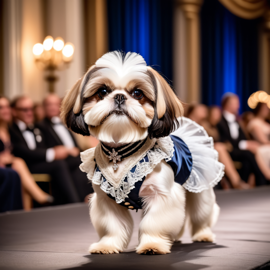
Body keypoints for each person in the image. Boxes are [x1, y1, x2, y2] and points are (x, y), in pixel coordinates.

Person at [9, 96, 80, 205]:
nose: (29, 113)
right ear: (14, 111)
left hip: (40, 163)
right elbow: (22, 152)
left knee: (77, 161)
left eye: (31, 109)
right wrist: (52, 153)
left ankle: (84, 199)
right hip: (26, 167)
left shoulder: (35, 128)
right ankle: (74, 203)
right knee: (59, 165)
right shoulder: (12, 130)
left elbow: (42, 147)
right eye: (25, 109)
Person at [0, 96, 53, 210]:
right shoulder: (13, 129)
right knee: (18, 164)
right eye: (1, 107)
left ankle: (27, 212)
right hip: (5, 166)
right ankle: (41, 197)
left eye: (7, 107)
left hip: (12, 165)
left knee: (18, 167)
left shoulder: (9, 130)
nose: (6, 110)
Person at [37, 94, 93, 201]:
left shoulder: (66, 125)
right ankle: (78, 201)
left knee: (88, 162)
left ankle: (92, 198)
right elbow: (43, 149)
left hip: (74, 159)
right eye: (49, 104)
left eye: (56, 104)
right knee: (78, 164)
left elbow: (75, 145)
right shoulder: (40, 127)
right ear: (44, 107)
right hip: (59, 160)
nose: (53, 107)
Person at [187, 104, 249, 189]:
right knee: (219, 148)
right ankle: (235, 181)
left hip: (205, 150)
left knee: (220, 148)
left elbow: (213, 139)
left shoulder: (205, 125)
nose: (205, 111)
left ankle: (233, 181)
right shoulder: (187, 123)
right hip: (192, 150)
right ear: (193, 111)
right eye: (201, 109)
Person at [217, 93, 267, 186]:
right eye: (236, 103)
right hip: (229, 150)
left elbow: (242, 138)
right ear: (228, 105)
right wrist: (244, 145)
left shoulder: (237, 120)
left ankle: (245, 183)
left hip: (238, 150)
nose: (238, 106)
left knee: (247, 162)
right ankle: (262, 178)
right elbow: (225, 140)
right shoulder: (220, 120)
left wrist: (248, 143)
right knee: (248, 153)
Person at [247, 102, 270, 180]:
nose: (267, 111)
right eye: (264, 109)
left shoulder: (266, 122)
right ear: (259, 109)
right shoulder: (255, 122)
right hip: (260, 146)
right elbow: (262, 140)